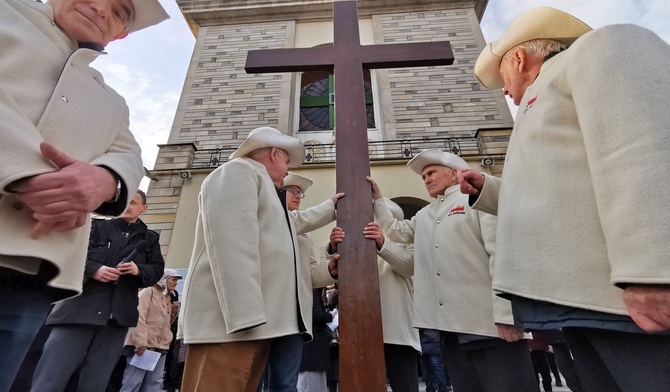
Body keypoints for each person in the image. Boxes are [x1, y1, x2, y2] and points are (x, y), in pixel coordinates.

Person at [458, 6, 670, 391]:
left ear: (519, 57)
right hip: (590, 299)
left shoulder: (601, 47)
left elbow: (643, 149)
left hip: (628, 294)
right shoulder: (544, 93)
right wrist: (488, 189)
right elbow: (558, 193)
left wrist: (655, 270)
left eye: (502, 76)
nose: (503, 90)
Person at [0, 0, 169, 388]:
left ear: (121, 33)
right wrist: (29, 174)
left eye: (119, 10)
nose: (99, 7)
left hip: (32, 269)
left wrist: (104, 182)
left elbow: (128, 155)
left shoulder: (113, 102)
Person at [178, 127, 341, 392]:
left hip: (253, 325)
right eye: (287, 162)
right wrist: (246, 318)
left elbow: (294, 223)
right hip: (233, 326)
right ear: (275, 153)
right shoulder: (238, 171)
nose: (287, 172)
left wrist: (332, 206)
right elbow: (232, 244)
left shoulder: (257, 183)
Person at [368, 150, 537, 392]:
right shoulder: (426, 214)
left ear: (454, 173)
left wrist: (507, 315)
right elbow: (397, 231)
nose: (426, 179)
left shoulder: (477, 199)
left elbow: (501, 256)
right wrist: (379, 200)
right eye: (423, 176)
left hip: (491, 326)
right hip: (453, 331)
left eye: (431, 172)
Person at [31, 190, 165, 392]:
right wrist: (94, 270)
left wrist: (139, 270)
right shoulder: (94, 226)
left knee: (96, 383)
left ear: (143, 208)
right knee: (51, 378)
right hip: (77, 311)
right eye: (124, 201)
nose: (127, 205)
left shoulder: (150, 240)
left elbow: (156, 270)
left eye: (134, 202)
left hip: (116, 319)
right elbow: (67, 254)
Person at [328, 198, 421, 392]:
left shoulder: (407, 243)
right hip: (362, 329)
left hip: (398, 331)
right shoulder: (356, 246)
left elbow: (407, 267)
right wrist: (334, 248)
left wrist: (382, 243)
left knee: (404, 385)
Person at [281, 172, 336, 392]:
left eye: (300, 193)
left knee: (286, 378)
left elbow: (311, 273)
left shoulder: (306, 234)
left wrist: (329, 270)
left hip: (296, 315)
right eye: (292, 191)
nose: (298, 196)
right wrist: (331, 205)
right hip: (271, 309)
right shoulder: (267, 216)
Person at [119, 269, 182, 392]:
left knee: (153, 385)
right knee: (133, 383)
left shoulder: (167, 297)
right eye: (173, 279)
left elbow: (165, 324)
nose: (176, 283)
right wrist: (141, 342)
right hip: (144, 347)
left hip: (160, 347)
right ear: (164, 278)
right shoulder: (148, 292)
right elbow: (138, 317)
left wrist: (174, 313)